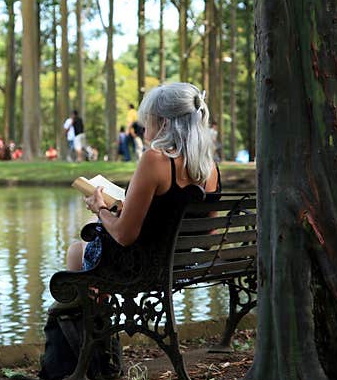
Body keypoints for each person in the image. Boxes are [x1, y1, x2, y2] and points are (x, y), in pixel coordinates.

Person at [66, 82, 221, 279]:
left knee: (76, 250)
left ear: (163, 122)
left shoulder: (154, 159)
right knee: (89, 233)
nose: (143, 123)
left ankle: (91, 306)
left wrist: (100, 208)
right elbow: (207, 240)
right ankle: (92, 304)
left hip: (143, 269)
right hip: (178, 267)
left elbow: (124, 236)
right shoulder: (211, 168)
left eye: (147, 117)